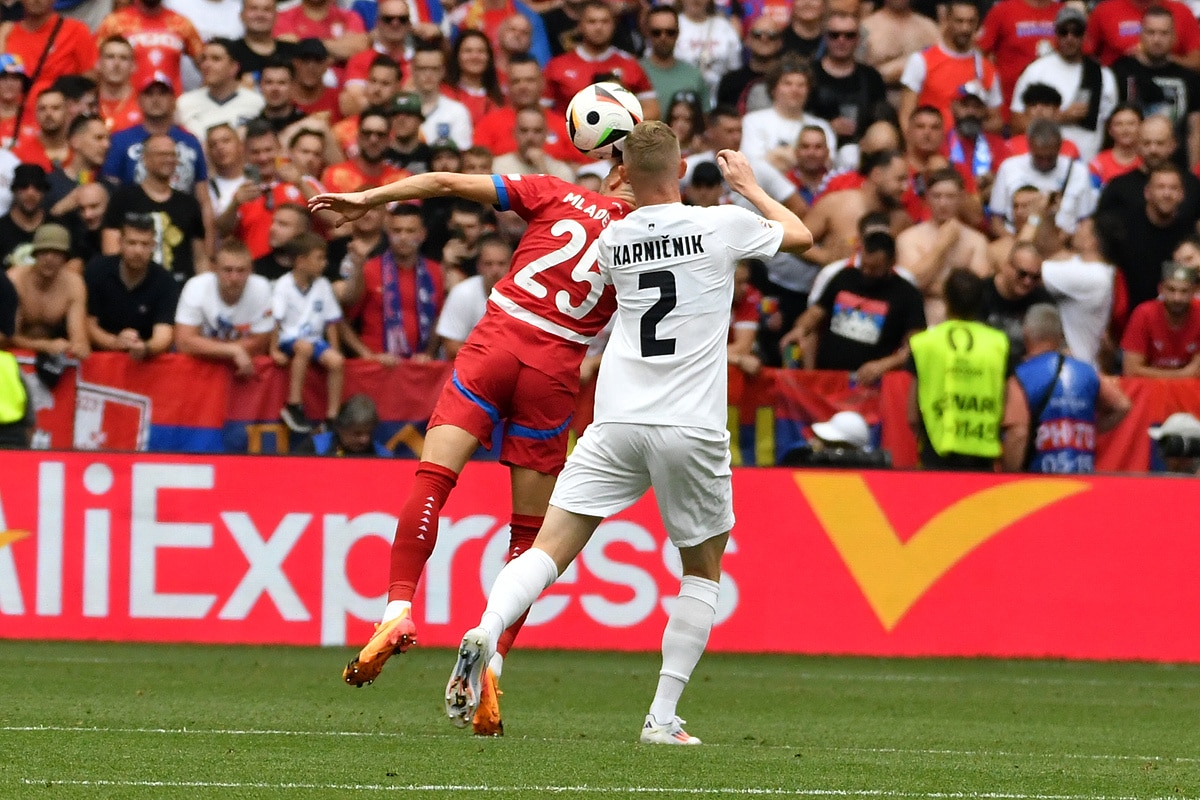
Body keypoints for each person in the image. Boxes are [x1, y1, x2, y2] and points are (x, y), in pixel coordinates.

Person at [444, 126, 811, 745]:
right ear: (683, 168)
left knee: (546, 550)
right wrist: (749, 187)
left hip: (615, 422)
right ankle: (661, 718)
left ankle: (487, 626)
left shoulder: (614, 238)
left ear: (625, 177)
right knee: (702, 570)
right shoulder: (720, 223)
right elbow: (801, 237)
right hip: (690, 425)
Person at [307, 163, 637, 737]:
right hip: (556, 367)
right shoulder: (653, 237)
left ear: (612, 173)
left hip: (496, 344)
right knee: (531, 536)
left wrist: (368, 199)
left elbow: (444, 183)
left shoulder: (554, 191)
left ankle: (397, 610)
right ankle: (494, 657)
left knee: (432, 481)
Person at [908, 268, 1030, 472]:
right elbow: (1016, 419)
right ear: (980, 301)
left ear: (946, 299)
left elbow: (912, 415)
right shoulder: (998, 343)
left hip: (935, 458)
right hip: (982, 463)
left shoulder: (924, 343)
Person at [782, 230, 926, 384]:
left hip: (871, 382)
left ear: (891, 263)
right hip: (828, 377)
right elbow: (815, 313)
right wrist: (800, 329)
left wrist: (884, 365)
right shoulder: (844, 277)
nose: (867, 271)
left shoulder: (908, 295)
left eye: (874, 268)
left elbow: (917, 344)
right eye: (864, 265)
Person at [1016, 303, 1130, 473]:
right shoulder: (1087, 372)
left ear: (1026, 334)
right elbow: (1122, 405)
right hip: (1081, 472)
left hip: (1037, 476)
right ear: (1061, 336)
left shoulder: (1021, 374)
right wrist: (1088, 430)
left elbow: (1017, 433)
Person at [1010, 6, 1117, 165]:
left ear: (1085, 35)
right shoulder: (1036, 71)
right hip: (1044, 162)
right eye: (1063, 32)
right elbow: (1016, 123)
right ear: (1055, 34)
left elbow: (1112, 126)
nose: (1069, 38)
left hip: (1089, 165)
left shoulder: (1102, 74)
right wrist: (1061, 117)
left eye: (1076, 32)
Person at [101, 133, 208, 283]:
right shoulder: (123, 199)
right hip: (135, 287)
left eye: (172, 155)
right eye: (162, 154)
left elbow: (200, 258)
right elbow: (111, 253)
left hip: (180, 288)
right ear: (145, 159)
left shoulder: (189, 204)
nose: (169, 159)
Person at [270, 231, 344, 433]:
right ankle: (293, 405)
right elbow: (275, 320)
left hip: (315, 339)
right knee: (304, 348)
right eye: (319, 258)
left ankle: (332, 416)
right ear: (301, 261)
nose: (324, 263)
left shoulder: (323, 285)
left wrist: (335, 349)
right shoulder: (283, 285)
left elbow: (331, 321)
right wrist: (273, 350)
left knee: (337, 362)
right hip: (290, 338)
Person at [896, 168, 989, 325]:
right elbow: (910, 283)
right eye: (936, 196)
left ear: (961, 198)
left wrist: (931, 287)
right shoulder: (908, 238)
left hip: (963, 324)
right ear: (927, 198)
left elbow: (975, 291)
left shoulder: (977, 241)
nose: (943, 203)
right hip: (920, 322)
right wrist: (943, 244)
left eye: (950, 197)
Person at [1109, 6, 1200, 169]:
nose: (1157, 39)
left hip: (1176, 171)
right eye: (1151, 32)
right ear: (1141, 35)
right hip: (1129, 169)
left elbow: (1195, 132)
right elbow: (1110, 123)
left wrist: (1193, 174)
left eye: (1164, 33)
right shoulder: (1121, 71)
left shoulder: (1189, 78)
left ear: (1174, 37)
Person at [898, 0, 1002, 133]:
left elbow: (996, 120)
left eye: (971, 22)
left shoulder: (986, 68)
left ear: (977, 24)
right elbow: (906, 115)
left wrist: (970, 126)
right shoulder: (921, 60)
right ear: (947, 20)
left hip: (971, 143)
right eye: (959, 21)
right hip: (931, 141)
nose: (965, 28)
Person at [174, 239, 274, 376]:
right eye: (228, 270)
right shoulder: (196, 286)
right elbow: (183, 342)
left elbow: (260, 343)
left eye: (241, 270)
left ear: (251, 270)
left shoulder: (261, 288)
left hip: (240, 369)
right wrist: (233, 351)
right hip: (199, 368)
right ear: (214, 269)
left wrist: (211, 348)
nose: (234, 277)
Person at [86, 213, 178, 359]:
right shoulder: (97, 270)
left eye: (145, 244)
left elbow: (164, 335)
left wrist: (145, 347)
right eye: (132, 243)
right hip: (100, 357)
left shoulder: (165, 281)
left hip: (145, 360)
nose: (138, 251)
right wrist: (115, 343)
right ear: (120, 243)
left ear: (153, 246)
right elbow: (88, 324)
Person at [8, 222, 91, 366]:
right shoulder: (16, 280)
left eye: (56, 253)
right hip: (11, 357)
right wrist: (44, 346)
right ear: (35, 255)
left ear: (65, 257)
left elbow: (79, 337)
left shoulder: (74, 285)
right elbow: (7, 336)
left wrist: (79, 346)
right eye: (44, 252)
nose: (49, 259)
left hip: (52, 359)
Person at [433, 234, 510, 359]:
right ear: (479, 266)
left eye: (501, 264)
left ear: (512, 265)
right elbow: (451, 346)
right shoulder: (462, 293)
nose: (495, 270)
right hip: (467, 366)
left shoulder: (523, 297)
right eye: (488, 264)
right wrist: (491, 360)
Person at [1121, 261, 1200, 378]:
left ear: (1194, 291)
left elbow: (1196, 371)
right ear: (1161, 289)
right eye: (1171, 290)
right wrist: (1181, 374)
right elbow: (1131, 369)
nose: (1177, 298)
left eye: (1184, 291)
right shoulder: (1144, 313)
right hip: (1150, 386)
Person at [175, 37, 265, 136]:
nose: (207, 65)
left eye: (216, 59)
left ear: (234, 67)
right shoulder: (184, 103)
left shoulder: (257, 103)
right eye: (204, 59)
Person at [640, 6, 708, 115]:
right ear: (647, 33)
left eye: (670, 32)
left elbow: (704, 118)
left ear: (678, 33)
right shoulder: (635, 71)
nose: (663, 37)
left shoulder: (694, 75)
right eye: (656, 32)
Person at [300, 393, 393, 457]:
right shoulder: (315, 447)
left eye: (369, 433)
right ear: (340, 428)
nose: (365, 439)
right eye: (357, 433)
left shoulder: (384, 457)